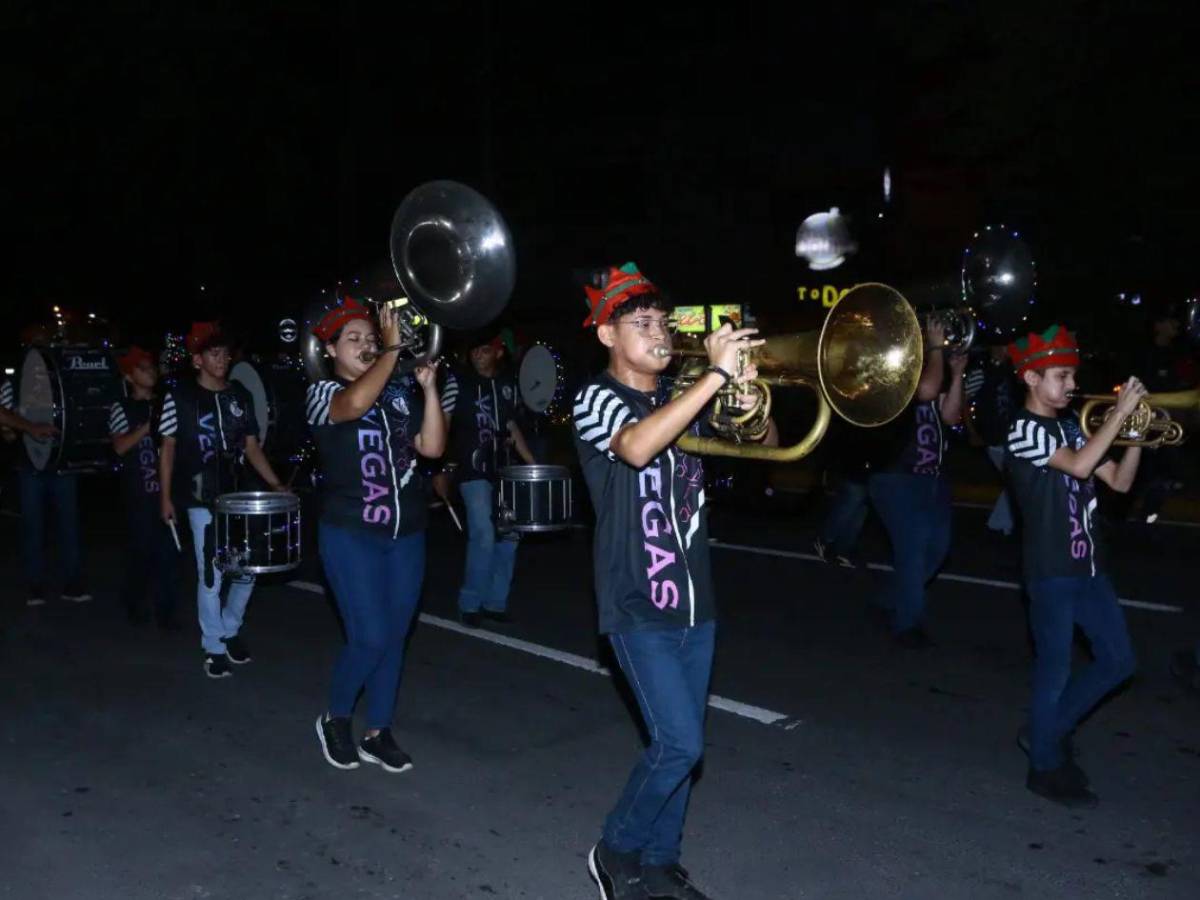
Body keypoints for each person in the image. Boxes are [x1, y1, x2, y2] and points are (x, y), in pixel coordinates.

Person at [573, 262, 775, 900]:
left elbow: (764, 446)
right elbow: (635, 448)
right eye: (642, 323)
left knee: (685, 749)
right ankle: (615, 848)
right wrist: (713, 376)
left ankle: (661, 862)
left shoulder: (681, 397)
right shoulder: (594, 397)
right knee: (679, 744)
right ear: (607, 335)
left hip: (696, 600)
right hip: (636, 602)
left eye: (663, 321)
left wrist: (745, 400)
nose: (660, 333)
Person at [1004, 324, 1142, 806]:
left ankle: (1044, 735)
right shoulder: (1022, 430)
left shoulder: (1068, 426)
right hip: (1052, 570)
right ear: (1030, 379)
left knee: (1120, 661)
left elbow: (1119, 484)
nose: (1071, 385)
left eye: (1072, 376)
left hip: (1090, 566)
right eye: (1060, 376)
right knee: (1055, 670)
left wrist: (1135, 437)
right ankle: (1043, 765)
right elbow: (1081, 466)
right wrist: (1119, 413)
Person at [306, 298, 446, 773]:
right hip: (351, 531)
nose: (366, 345)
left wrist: (428, 390)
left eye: (371, 337)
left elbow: (433, 447)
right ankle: (336, 717)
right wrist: (390, 352)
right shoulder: (322, 391)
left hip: (406, 531)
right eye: (355, 339)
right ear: (329, 350)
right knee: (368, 636)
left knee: (395, 637)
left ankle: (378, 731)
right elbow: (352, 405)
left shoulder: (399, 390)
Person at [158, 321, 286, 679]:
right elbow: (166, 448)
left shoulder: (240, 395)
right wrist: (165, 497)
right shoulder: (179, 396)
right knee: (211, 575)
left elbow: (251, 446)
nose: (223, 359)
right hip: (200, 499)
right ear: (197, 360)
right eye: (214, 353)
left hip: (238, 495)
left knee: (247, 570)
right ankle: (213, 645)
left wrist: (276, 483)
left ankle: (230, 628)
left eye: (225, 352)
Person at [867, 318, 967, 647]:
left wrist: (957, 374)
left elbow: (951, 416)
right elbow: (924, 391)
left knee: (937, 548)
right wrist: (937, 348)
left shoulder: (932, 373)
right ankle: (907, 624)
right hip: (895, 475)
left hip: (932, 478)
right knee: (912, 549)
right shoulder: (888, 370)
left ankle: (889, 599)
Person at [440, 332, 534, 627]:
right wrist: (441, 466)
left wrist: (534, 467)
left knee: (509, 535)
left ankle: (495, 602)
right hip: (471, 468)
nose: (476, 355)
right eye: (474, 351)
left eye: (483, 350)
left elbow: (511, 427)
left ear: (498, 353)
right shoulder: (458, 382)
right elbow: (441, 421)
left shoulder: (508, 386)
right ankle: (470, 603)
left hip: (504, 471)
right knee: (482, 533)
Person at [0, 375, 90, 606]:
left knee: (69, 524)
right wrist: (19, 429)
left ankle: (72, 583)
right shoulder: (15, 382)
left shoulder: (60, 379)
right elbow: (5, 419)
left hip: (60, 461)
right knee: (33, 525)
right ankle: (35, 585)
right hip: (29, 462)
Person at [108, 346, 179, 627]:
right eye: (141, 369)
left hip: (167, 491)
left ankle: (166, 612)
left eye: (151, 368)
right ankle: (134, 602)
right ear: (128, 377)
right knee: (140, 553)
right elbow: (120, 446)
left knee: (168, 555)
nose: (150, 373)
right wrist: (148, 426)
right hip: (139, 491)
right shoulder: (121, 407)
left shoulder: (167, 402)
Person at [965, 343, 1020, 536]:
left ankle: (1003, 524)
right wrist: (972, 432)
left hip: (1012, 435)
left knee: (1014, 480)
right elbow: (965, 402)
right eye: (1002, 347)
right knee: (1015, 480)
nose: (1006, 351)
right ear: (994, 349)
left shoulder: (1011, 371)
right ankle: (1000, 525)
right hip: (994, 436)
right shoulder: (981, 373)